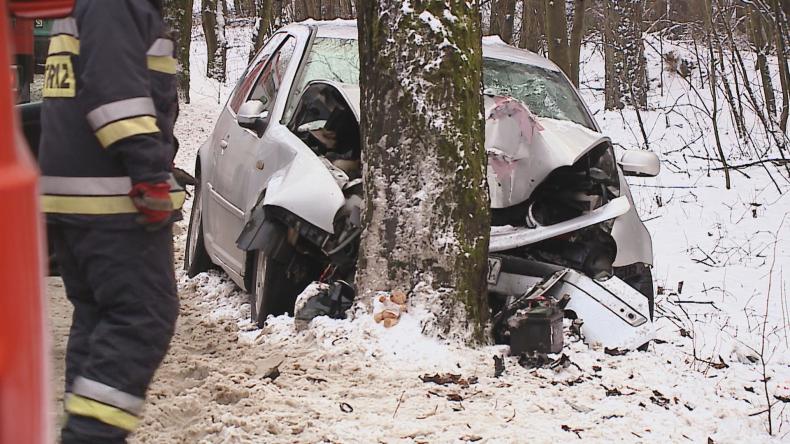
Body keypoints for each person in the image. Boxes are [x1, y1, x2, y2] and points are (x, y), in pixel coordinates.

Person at [37, 0, 183, 441]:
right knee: (143, 317)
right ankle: (88, 435)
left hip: (84, 196)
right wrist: (150, 175)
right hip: (112, 197)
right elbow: (118, 99)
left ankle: (81, 430)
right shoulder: (116, 4)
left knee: (100, 319)